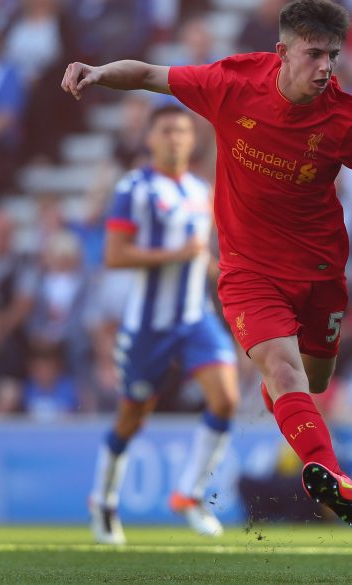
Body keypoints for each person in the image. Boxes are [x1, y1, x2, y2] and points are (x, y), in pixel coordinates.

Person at [62, 0, 352, 527]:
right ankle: (325, 472)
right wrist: (98, 72)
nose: (325, 66)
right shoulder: (232, 84)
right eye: (313, 54)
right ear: (281, 52)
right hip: (248, 272)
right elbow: (147, 73)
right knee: (284, 371)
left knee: (313, 379)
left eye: (333, 55)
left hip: (320, 272)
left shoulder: (346, 120)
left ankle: (285, 412)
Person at [85, 105, 240, 544]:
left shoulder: (199, 190)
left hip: (194, 319)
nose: (175, 138)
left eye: (182, 132)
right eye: (167, 131)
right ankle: (104, 500)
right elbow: (114, 255)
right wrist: (174, 256)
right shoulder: (133, 189)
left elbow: (198, 254)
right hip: (148, 327)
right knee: (132, 418)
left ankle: (189, 494)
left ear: (192, 141)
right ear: (150, 139)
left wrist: (224, 275)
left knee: (226, 398)